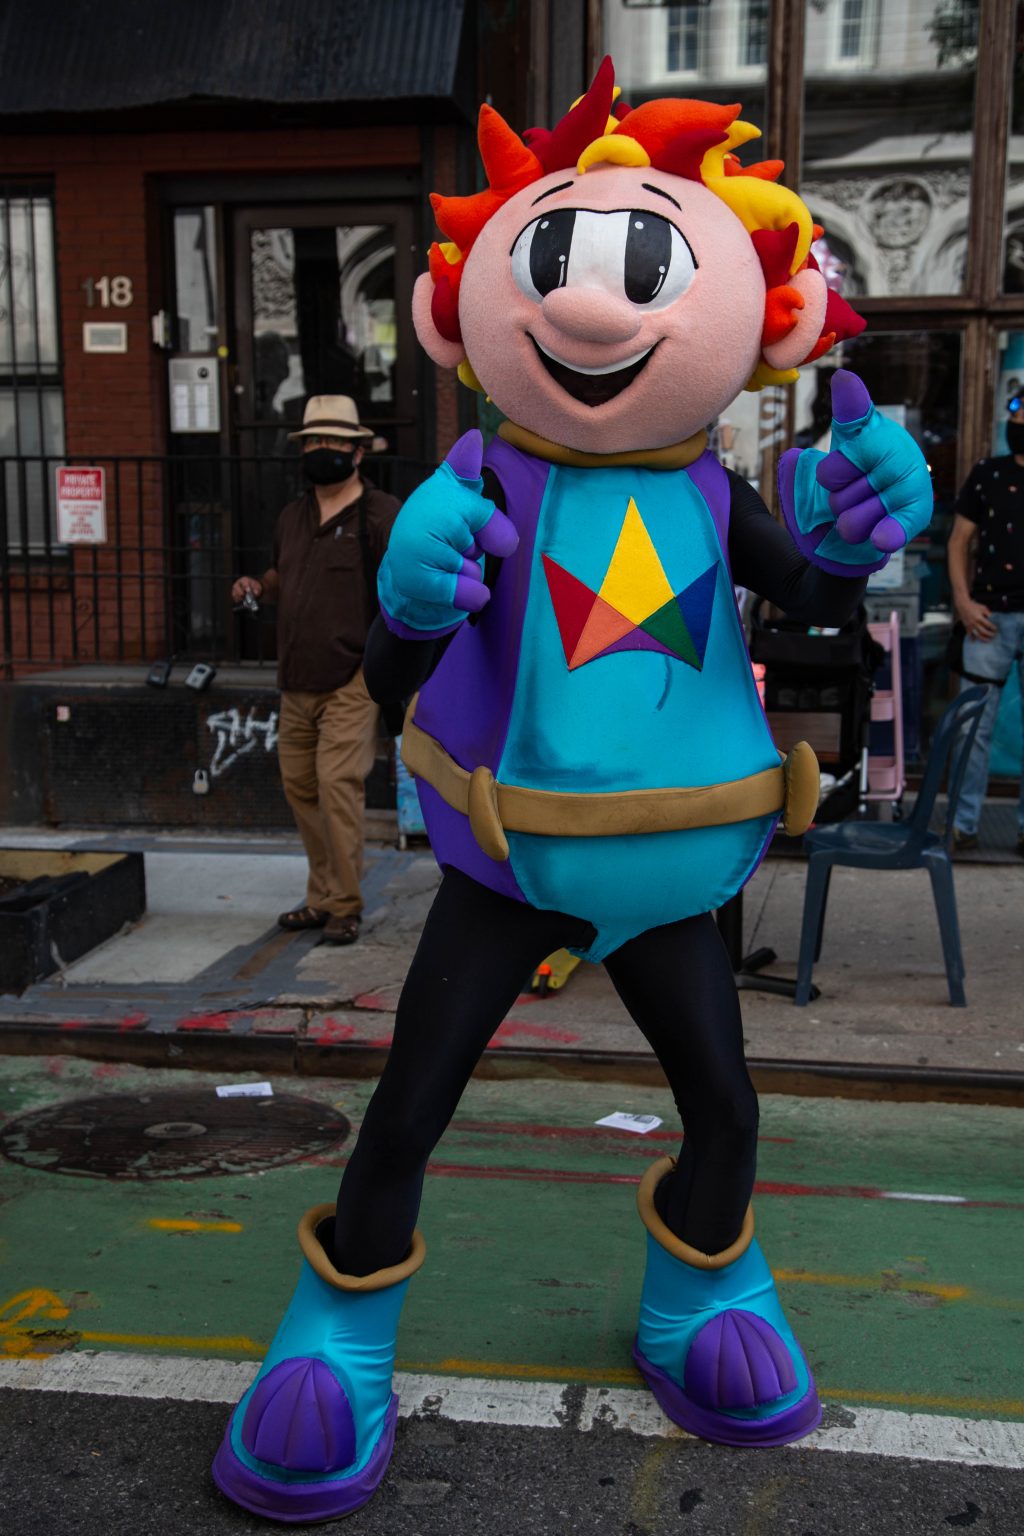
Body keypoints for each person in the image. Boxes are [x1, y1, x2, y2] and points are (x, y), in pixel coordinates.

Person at [213, 63, 933, 1522]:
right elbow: (395, 676)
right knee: (410, 1110)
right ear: (463, 305)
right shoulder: (480, 482)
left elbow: (810, 593)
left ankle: (699, 1294)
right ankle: (340, 1327)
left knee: (726, 1107)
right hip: (506, 868)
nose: (597, 312)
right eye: (555, 266)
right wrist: (412, 600)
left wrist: (871, 526)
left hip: (671, 875)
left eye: (648, 269)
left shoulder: (710, 489)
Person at [231, 395, 400, 944]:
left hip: (353, 676)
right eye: (314, 442)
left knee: (336, 785)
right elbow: (284, 575)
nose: (322, 450)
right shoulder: (292, 516)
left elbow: (404, 589)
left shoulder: (381, 515)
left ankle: (345, 904)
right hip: (295, 678)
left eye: (334, 442)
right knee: (300, 788)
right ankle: (321, 896)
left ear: (358, 452)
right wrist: (259, 586)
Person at [946, 391, 1024, 854]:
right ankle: (963, 824)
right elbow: (958, 541)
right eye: (1018, 412)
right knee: (971, 727)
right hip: (987, 616)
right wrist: (963, 602)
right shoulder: (987, 474)